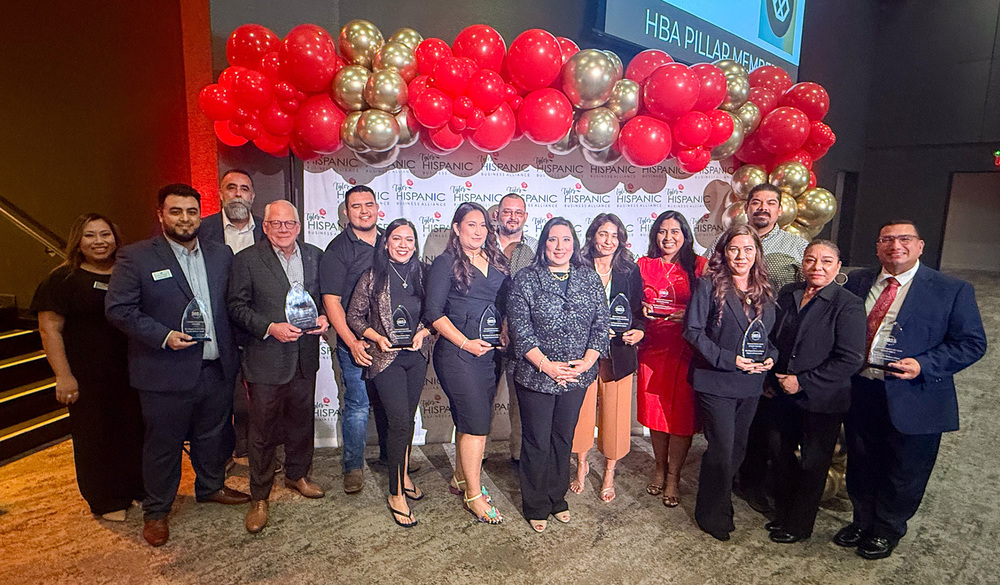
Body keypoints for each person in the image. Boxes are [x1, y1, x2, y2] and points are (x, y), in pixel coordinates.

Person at [106, 184, 249, 548]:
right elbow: (119, 309)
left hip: (216, 367)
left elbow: (230, 307)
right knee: (163, 444)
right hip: (164, 370)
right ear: (161, 215)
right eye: (176, 211)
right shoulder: (136, 257)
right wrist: (163, 335)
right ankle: (156, 511)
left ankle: (210, 486)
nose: (185, 219)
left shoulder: (221, 254)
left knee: (213, 435)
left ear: (200, 214)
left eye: (191, 211)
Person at [834, 220, 986, 559]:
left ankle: (887, 529)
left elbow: (972, 343)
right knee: (861, 461)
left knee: (905, 468)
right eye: (887, 239)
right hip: (861, 389)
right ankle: (862, 520)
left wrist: (925, 364)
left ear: (919, 246)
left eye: (904, 239)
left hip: (915, 393)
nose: (895, 246)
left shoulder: (950, 289)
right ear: (877, 246)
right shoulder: (855, 282)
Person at [32, 213, 144, 522]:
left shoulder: (127, 273)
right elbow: (49, 329)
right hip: (88, 375)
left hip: (131, 370)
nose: (99, 241)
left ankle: (138, 487)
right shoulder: (63, 279)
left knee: (134, 430)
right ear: (78, 242)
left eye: (105, 234)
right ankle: (106, 499)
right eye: (90, 235)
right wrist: (63, 376)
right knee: (95, 436)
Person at [226, 200, 330, 534]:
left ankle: (298, 474)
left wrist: (326, 318)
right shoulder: (246, 261)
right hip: (265, 358)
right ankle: (259, 495)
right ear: (265, 226)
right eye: (276, 223)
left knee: (301, 421)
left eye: (289, 223)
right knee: (262, 430)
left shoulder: (315, 255)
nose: (283, 229)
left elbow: (325, 299)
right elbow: (236, 307)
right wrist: (270, 327)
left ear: (299, 226)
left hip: (305, 357)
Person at [712, 184, 808, 514]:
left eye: (770, 203)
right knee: (739, 427)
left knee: (770, 425)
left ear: (780, 210)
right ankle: (737, 480)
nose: (763, 208)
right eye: (756, 202)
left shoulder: (797, 248)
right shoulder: (729, 242)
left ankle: (761, 484)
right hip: (729, 347)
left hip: (775, 344)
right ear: (747, 207)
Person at [508, 217, 609, 532]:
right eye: (553, 240)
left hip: (577, 375)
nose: (560, 246)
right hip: (536, 374)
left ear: (574, 244)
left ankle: (557, 498)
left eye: (566, 240)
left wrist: (587, 361)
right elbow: (520, 331)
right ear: (543, 244)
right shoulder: (526, 279)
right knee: (537, 440)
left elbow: (602, 324)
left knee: (563, 437)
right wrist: (548, 366)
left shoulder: (589, 278)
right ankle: (536, 503)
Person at [765, 239, 866, 544]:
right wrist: (770, 378)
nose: (817, 267)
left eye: (825, 261)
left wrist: (803, 381)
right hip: (781, 392)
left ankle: (799, 525)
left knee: (813, 463)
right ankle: (784, 514)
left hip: (822, 398)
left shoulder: (848, 304)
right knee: (779, 453)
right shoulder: (788, 294)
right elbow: (775, 338)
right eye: (810, 260)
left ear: (837, 267)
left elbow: (850, 358)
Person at [683, 224, 777, 541]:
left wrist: (771, 358)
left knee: (737, 448)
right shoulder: (708, 285)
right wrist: (727, 359)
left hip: (750, 384)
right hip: (715, 381)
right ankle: (713, 512)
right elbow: (693, 332)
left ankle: (719, 499)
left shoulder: (765, 289)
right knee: (722, 449)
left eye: (748, 249)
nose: (741, 255)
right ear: (724, 252)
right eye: (734, 249)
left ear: (757, 254)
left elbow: (770, 339)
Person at [425, 202, 510, 524]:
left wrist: (502, 332)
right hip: (458, 355)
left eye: (483, 226)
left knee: (469, 419)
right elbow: (434, 312)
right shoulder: (445, 262)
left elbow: (503, 303)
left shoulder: (497, 260)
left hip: (489, 355)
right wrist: (464, 342)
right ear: (457, 228)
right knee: (476, 424)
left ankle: (460, 478)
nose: (478, 231)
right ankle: (475, 495)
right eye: (471, 225)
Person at [346, 218, 432, 528]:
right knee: (397, 422)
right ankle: (396, 494)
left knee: (406, 421)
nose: (404, 244)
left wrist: (423, 332)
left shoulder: (423, 274)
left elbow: (433, 313)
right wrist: (374, 335)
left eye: (409, 239)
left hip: (416, 357)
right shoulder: (372, 276)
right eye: (397, 238)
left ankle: (404, 475)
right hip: (385, 359)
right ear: (386, 242)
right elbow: (354, 315)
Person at [569, 213, 644, 503]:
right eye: (603, 234)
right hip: (582, 353)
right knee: (581, 414)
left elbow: (637, 313)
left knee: (615, 414)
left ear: (621, 240)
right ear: (592, 236)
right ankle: (581, 465)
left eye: (614, 235)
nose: (608, 241)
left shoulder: (629, 270)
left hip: (619, 353)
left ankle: (610, 472)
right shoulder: (578, 267)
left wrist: (638, 330)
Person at [319, 185, 389, 495]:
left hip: (389, 343)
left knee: (390, 404)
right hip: (355, 345)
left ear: (377, 208)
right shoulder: (338, 249)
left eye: (369, 204)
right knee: (358, 406)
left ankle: (391, 457)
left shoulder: (391, 240)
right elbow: (331, 302)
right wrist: (351, 342)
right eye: (356, 206)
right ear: (346, 213)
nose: (364, 211)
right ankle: (352, 467)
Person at [636, 211, 708, 507]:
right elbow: (625, 301)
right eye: (662, 232)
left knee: (680, 417)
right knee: (656, 414)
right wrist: (637, 308)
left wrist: (689, 315)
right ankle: (658, 467)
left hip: (685, 350)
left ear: (685, 234)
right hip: (652, 347)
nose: (668, 238)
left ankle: (674, 475)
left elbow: (713, 305)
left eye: (675, 231)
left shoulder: (700, 266)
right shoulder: (643, 265)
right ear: (655, 235)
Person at [196, 169, 264, 460]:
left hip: (260, 328)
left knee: (264, 399)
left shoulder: (269, 229)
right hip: (217, 328)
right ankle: (221, 459)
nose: (238, 193)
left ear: (252, 196)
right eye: (231, 187)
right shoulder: (201, 230)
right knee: (219, 401)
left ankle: (261, 454)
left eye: (244, 188)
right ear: (221, 193)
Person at [495, 193, 537, 462]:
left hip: (520, 334)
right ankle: (478, 454)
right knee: (481, 400)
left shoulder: (534, 246)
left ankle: (519, 456)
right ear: (497, 215)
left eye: (517, 212)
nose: (512, 217)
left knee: (520, 402)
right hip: (482, 332)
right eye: (507, 211)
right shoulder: (482, 244)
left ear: (525, 216)